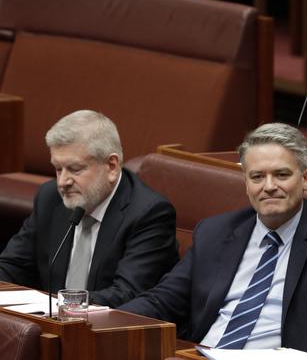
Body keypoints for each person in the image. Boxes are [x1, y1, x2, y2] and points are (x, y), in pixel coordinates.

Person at [119, 123, 307, 360]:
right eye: (257, 177)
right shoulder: (216, 232)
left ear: (305, 178)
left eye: (281, 175)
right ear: (245, 182)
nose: (269, 187)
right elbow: (162, 301)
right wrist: (98, 318)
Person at [0, 110, 179, 307]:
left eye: (75, 169)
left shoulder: (148, 213)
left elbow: (127, 294)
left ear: (111, 166)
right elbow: (12, 265)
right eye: (58, 169)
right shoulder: (50, 198)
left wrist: (57, 305)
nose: (63, 182)